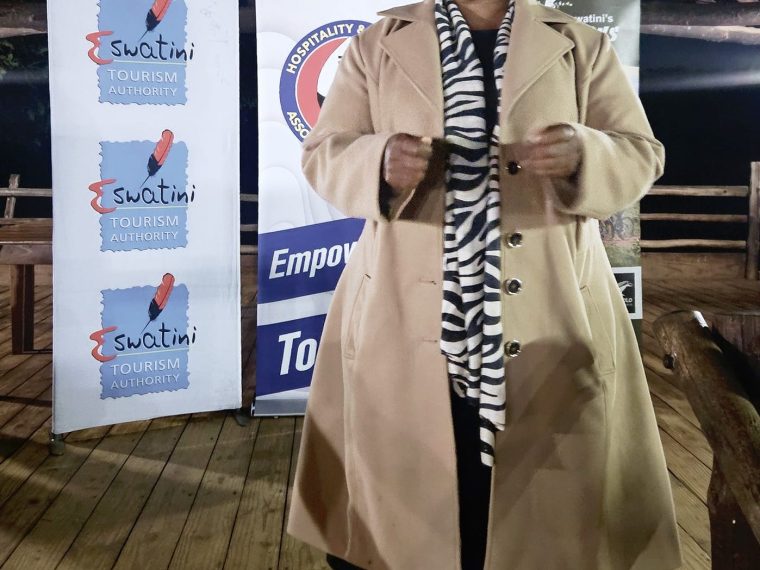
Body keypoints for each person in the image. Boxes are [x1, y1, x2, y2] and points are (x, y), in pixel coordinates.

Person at [286, 0, 683, 568]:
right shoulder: (376, 44)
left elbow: (641, 151)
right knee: (411, 478)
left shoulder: (581, 45)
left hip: (551, 303)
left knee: (541, 492)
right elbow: (323, 151)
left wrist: (584, 152)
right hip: (403, 305)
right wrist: (378, 161)